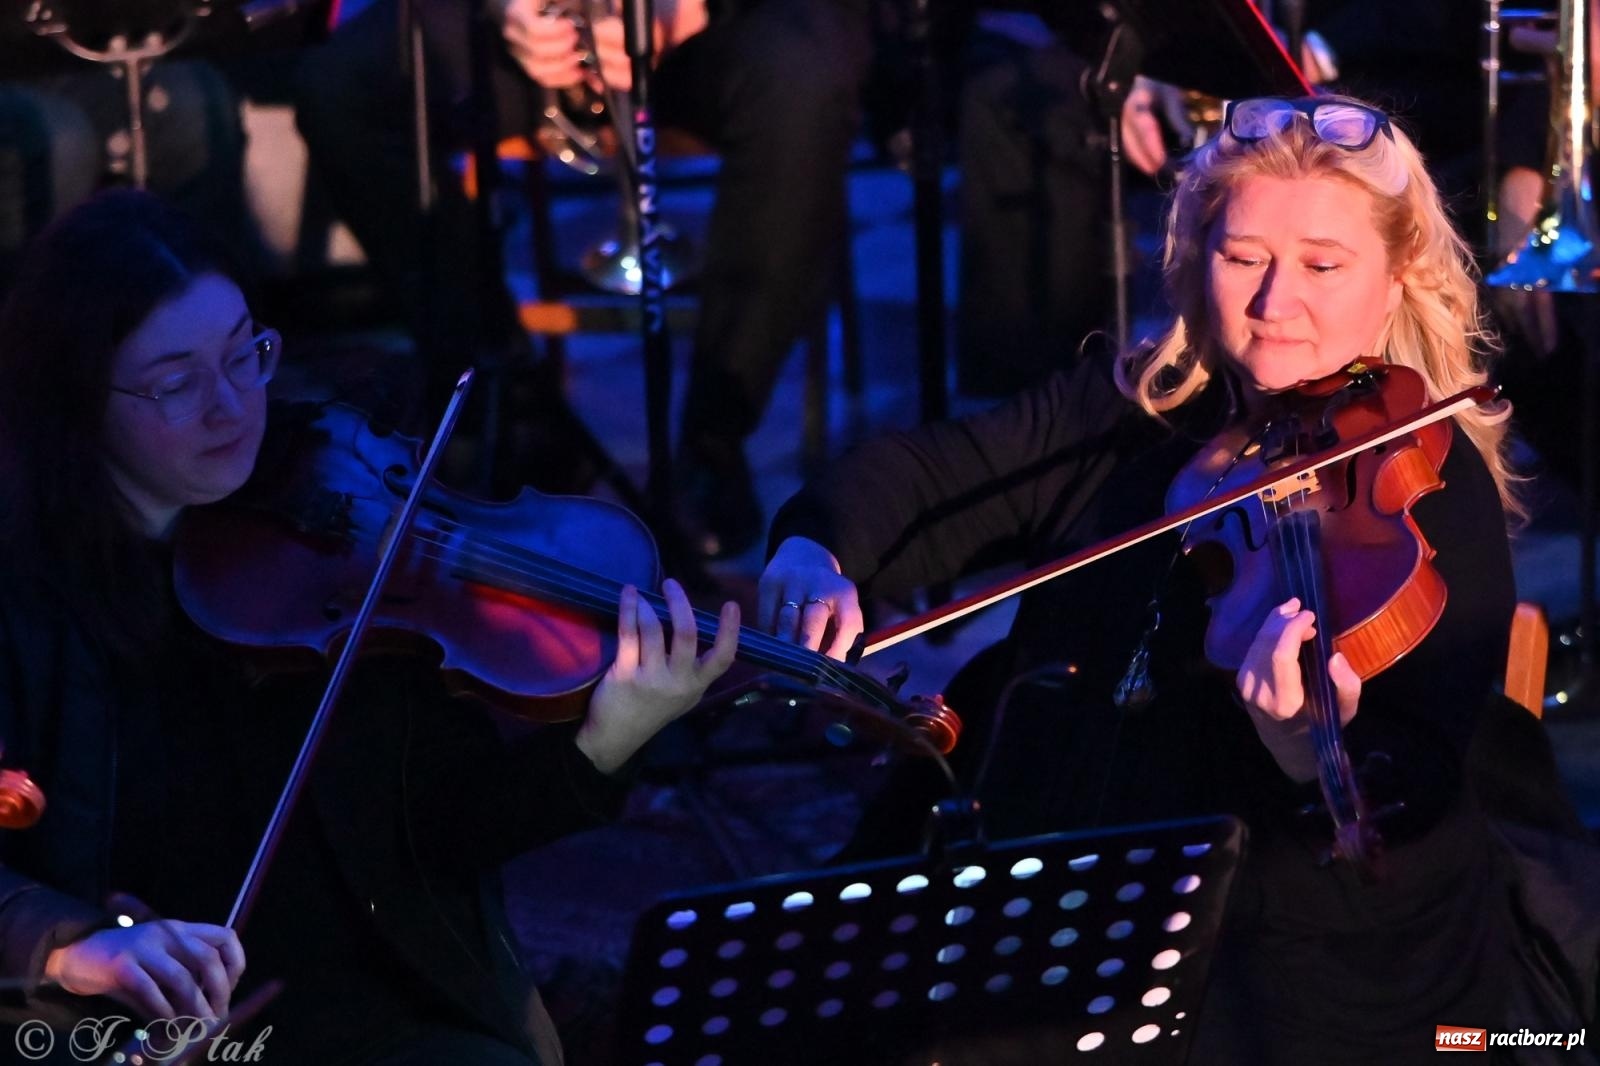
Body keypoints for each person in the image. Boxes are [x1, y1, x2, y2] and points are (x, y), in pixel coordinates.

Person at [757, 96, 1598, 1061]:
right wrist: (814, 551)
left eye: (1323, 266)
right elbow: (924, 476)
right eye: (1243, 258)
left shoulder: (1427, 492)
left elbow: (1409, 792)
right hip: (1061, 869)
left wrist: (1305, 748)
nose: (1275, 303)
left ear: (1399, 277)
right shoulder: (1136, 411)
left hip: (1293, 941)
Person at [0, 188, 739, 1064]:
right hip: (122, 1029)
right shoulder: (26, 592)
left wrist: (605, 744)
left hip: (377, 1002)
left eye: (244, 355)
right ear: (77, 399)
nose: (231, 406)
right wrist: (71, 944)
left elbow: (447, 833)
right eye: (176, 384)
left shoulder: (343, 527)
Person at [293, 0, 870, 556]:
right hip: (543, 32)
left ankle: (714, 437)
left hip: (721, 28)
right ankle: (512, 400)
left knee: (805, 76)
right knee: (340, 89)